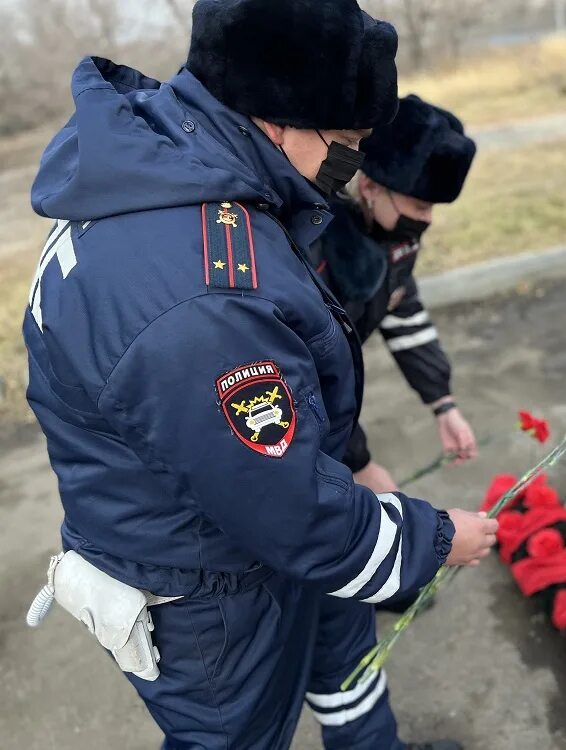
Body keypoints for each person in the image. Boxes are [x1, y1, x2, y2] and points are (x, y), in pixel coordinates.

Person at [23, 1, 496, 749]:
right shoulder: (203, 296)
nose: (349, 166)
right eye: (344, 143)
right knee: (238, 736)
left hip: (251, 522)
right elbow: (289, 511)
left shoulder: (168, 172)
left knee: (346, 664)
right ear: (277, 118)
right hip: (209, 586)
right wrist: (434, 541)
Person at [312, 95, 479, 497]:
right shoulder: (315, 246)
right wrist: (359, 463)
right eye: (421, 206)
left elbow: (400, 304)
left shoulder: (393, 230)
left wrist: (442, 402)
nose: (428, 220)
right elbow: (309, 368)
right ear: (368, 186)